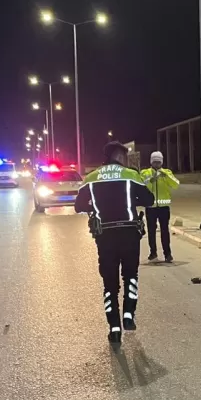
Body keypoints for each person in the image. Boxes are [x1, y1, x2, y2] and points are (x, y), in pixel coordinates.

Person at [75, 142, 155, 344]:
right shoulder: (131, 175)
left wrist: (95, 206)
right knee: (131, 276)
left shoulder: (92, 177)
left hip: (105, 236)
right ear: (119, 156)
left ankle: (114, 328)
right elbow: (149, 200)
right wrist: (132, 199)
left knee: (110, 284)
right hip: (129, 234)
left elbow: (78, 206)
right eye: (124, 156)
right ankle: (128, 316)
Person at [139, 151, 180, 262]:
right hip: (150, 207)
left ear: (162, 162)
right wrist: (151, 180)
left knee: (165, 231)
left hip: (164, 207)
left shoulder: (167, 172)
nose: (157, 164)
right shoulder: (145, 172)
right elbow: (141, 184)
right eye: (155, 162)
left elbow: (176, 184)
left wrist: (166, 176)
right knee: (151, 231)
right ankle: (153, 253)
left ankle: (167, 254)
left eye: (158, 162)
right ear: (151, 162)